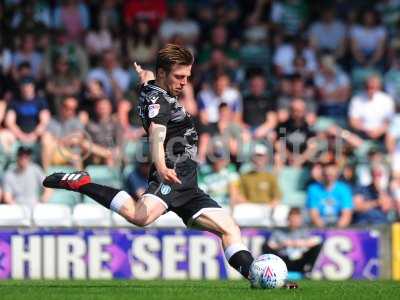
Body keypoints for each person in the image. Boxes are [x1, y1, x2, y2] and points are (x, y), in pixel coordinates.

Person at [43, 45, 290, 286]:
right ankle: (82, 184)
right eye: (179, 76)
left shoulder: (152, 87)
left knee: (229, 228)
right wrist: (161, 167)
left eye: (187, 77)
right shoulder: (159, 103)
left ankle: (257, 279)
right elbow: (157, 134)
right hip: (170, 176)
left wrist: (144, 75)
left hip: (189, 185)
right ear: (163, 74)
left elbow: (148, 79)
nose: (184, 82)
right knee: (141, 217)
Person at [262, 207, 323, 276]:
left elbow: (317, 240)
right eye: (293, 218)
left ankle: (308, 270)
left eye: (297, 218)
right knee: (265, 246)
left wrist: (298, 243)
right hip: (283, 260)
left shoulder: (304, 230)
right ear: (288, 218)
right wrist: (282, 244)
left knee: (318, 246)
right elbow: (270, 244)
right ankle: (272, 271)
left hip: (300, 259)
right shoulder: (279, 231)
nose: (295, 221)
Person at [306, 161, 353, 228]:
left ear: (337, 175)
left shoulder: (344, 189)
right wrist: (325, 230)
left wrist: (336, 230)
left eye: (332, 175)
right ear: (323, 174)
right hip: (319, 226)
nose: (329, 178)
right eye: (327, 175)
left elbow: (346, 214)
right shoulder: (313, 189)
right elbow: (314, 214)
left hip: (338, 226)